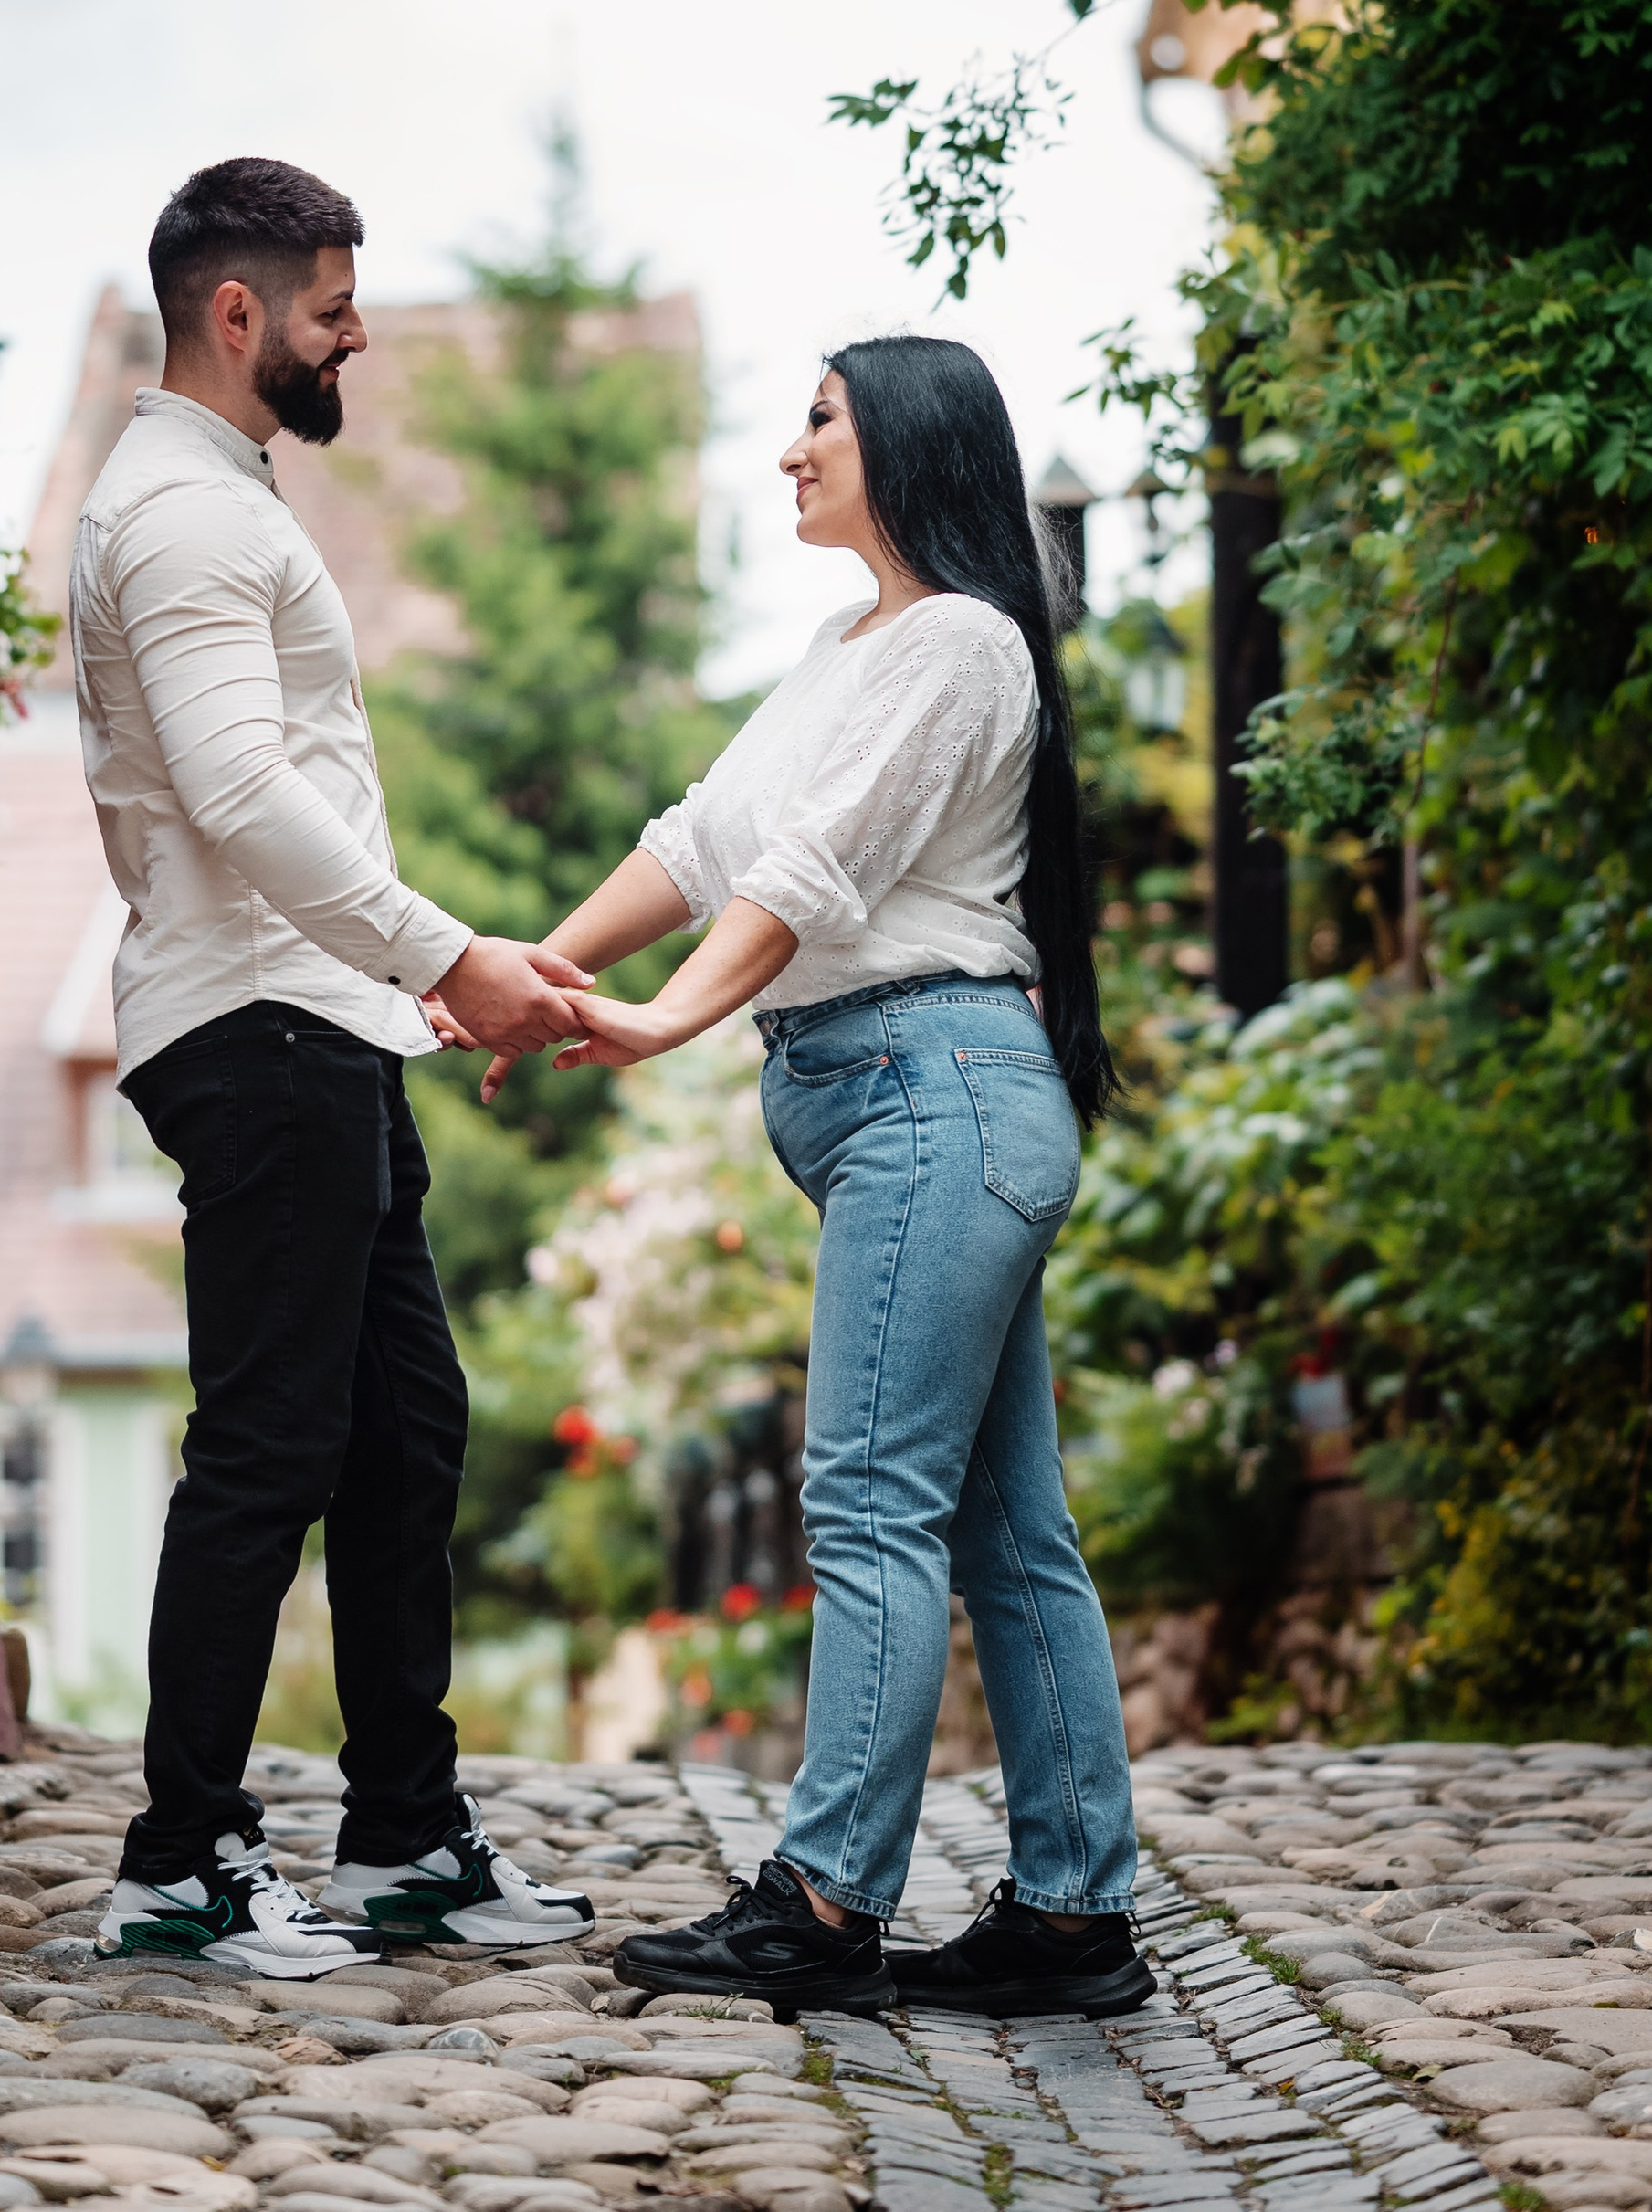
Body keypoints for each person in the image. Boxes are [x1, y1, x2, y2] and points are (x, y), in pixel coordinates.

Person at [478, 337, 1152, 2022]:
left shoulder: (963, 645)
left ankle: (824, 1902)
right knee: (1004, 1527)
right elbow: (708, 834)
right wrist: (532, 974)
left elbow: (807, 875)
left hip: (936, 1095)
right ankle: (1070, 1915)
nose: (789, 450)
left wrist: (666, 1016)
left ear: (908, 446)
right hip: (916, 1105)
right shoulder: (846, 645)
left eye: (821, 420)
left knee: (864, 1499)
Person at [72, 154, 602, 1975]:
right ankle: (183, 1858)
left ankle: (403, 1834)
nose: (355, 329)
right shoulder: (185, 516)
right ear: (240, 313)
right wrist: (442, 949)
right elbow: (238, 792)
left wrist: (404, 986)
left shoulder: (217, 497)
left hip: (322, 1019)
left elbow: (274, 790)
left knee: (404, 1430)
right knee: (277, 1440)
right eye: (331, 304)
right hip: (259, 1026)